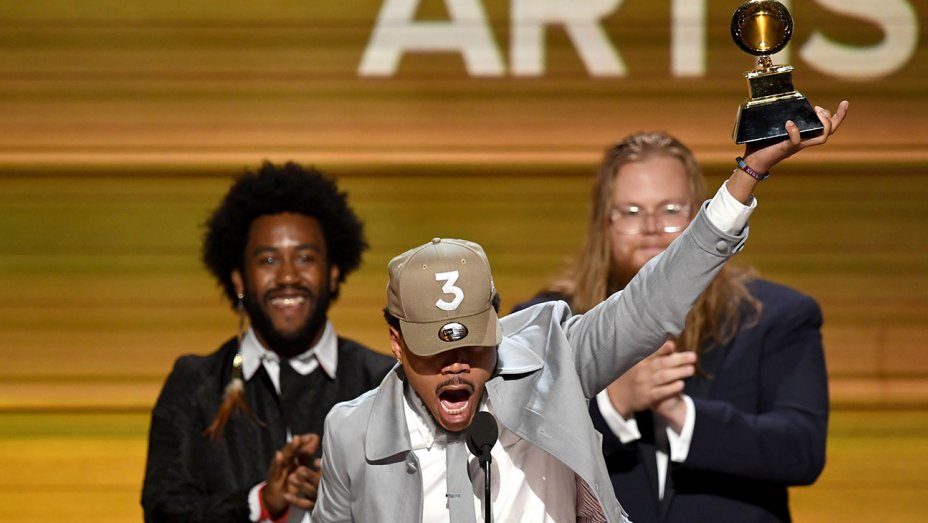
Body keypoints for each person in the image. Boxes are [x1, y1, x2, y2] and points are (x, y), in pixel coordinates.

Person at [311, 102, 849, 522]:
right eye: (435, 347)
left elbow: (652, 302)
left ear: (497, 326)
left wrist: (748, 173)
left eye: (472, 342)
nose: (456, 364)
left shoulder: (548, 364)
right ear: (397, 342)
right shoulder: (351, 433)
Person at [514, 131, 830, 522]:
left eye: (670, 209)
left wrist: (681, 413)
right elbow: (517, 444)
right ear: (602, 224)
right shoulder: (550, 321)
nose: (650, 226)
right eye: (630, 212)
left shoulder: (777, 316)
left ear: (699, 213)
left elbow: (800, 451)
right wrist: (614, 406)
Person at [142, 161, 395, 523]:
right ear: (239, 279)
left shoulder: (385, 382)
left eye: (305, 257)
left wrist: (346, 493)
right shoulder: (195, 384)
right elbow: (163, 511)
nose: (288, 275)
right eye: (269, 259)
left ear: (334, 273)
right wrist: (260, 502)